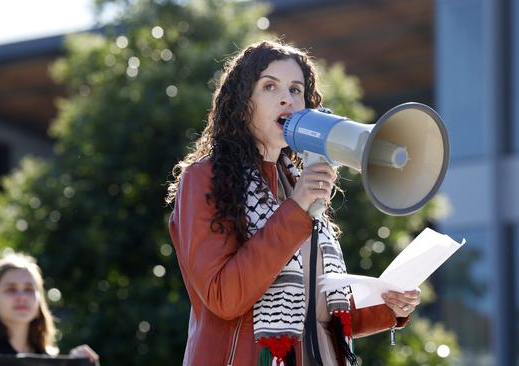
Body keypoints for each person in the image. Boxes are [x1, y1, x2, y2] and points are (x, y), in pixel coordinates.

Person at [166, 40, 421, 366]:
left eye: (296, 89)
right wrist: (296, 209)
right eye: (269, 86)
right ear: (242, 102)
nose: (286, 97)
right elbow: (224, 297)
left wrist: (390, 306)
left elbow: (322, 315)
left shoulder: (295, 185)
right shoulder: (205, 179)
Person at [0, 253, 99, 364]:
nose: (22, 296)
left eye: (29, 289)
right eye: (11, 289)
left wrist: (76, 363)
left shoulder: (47, 359)